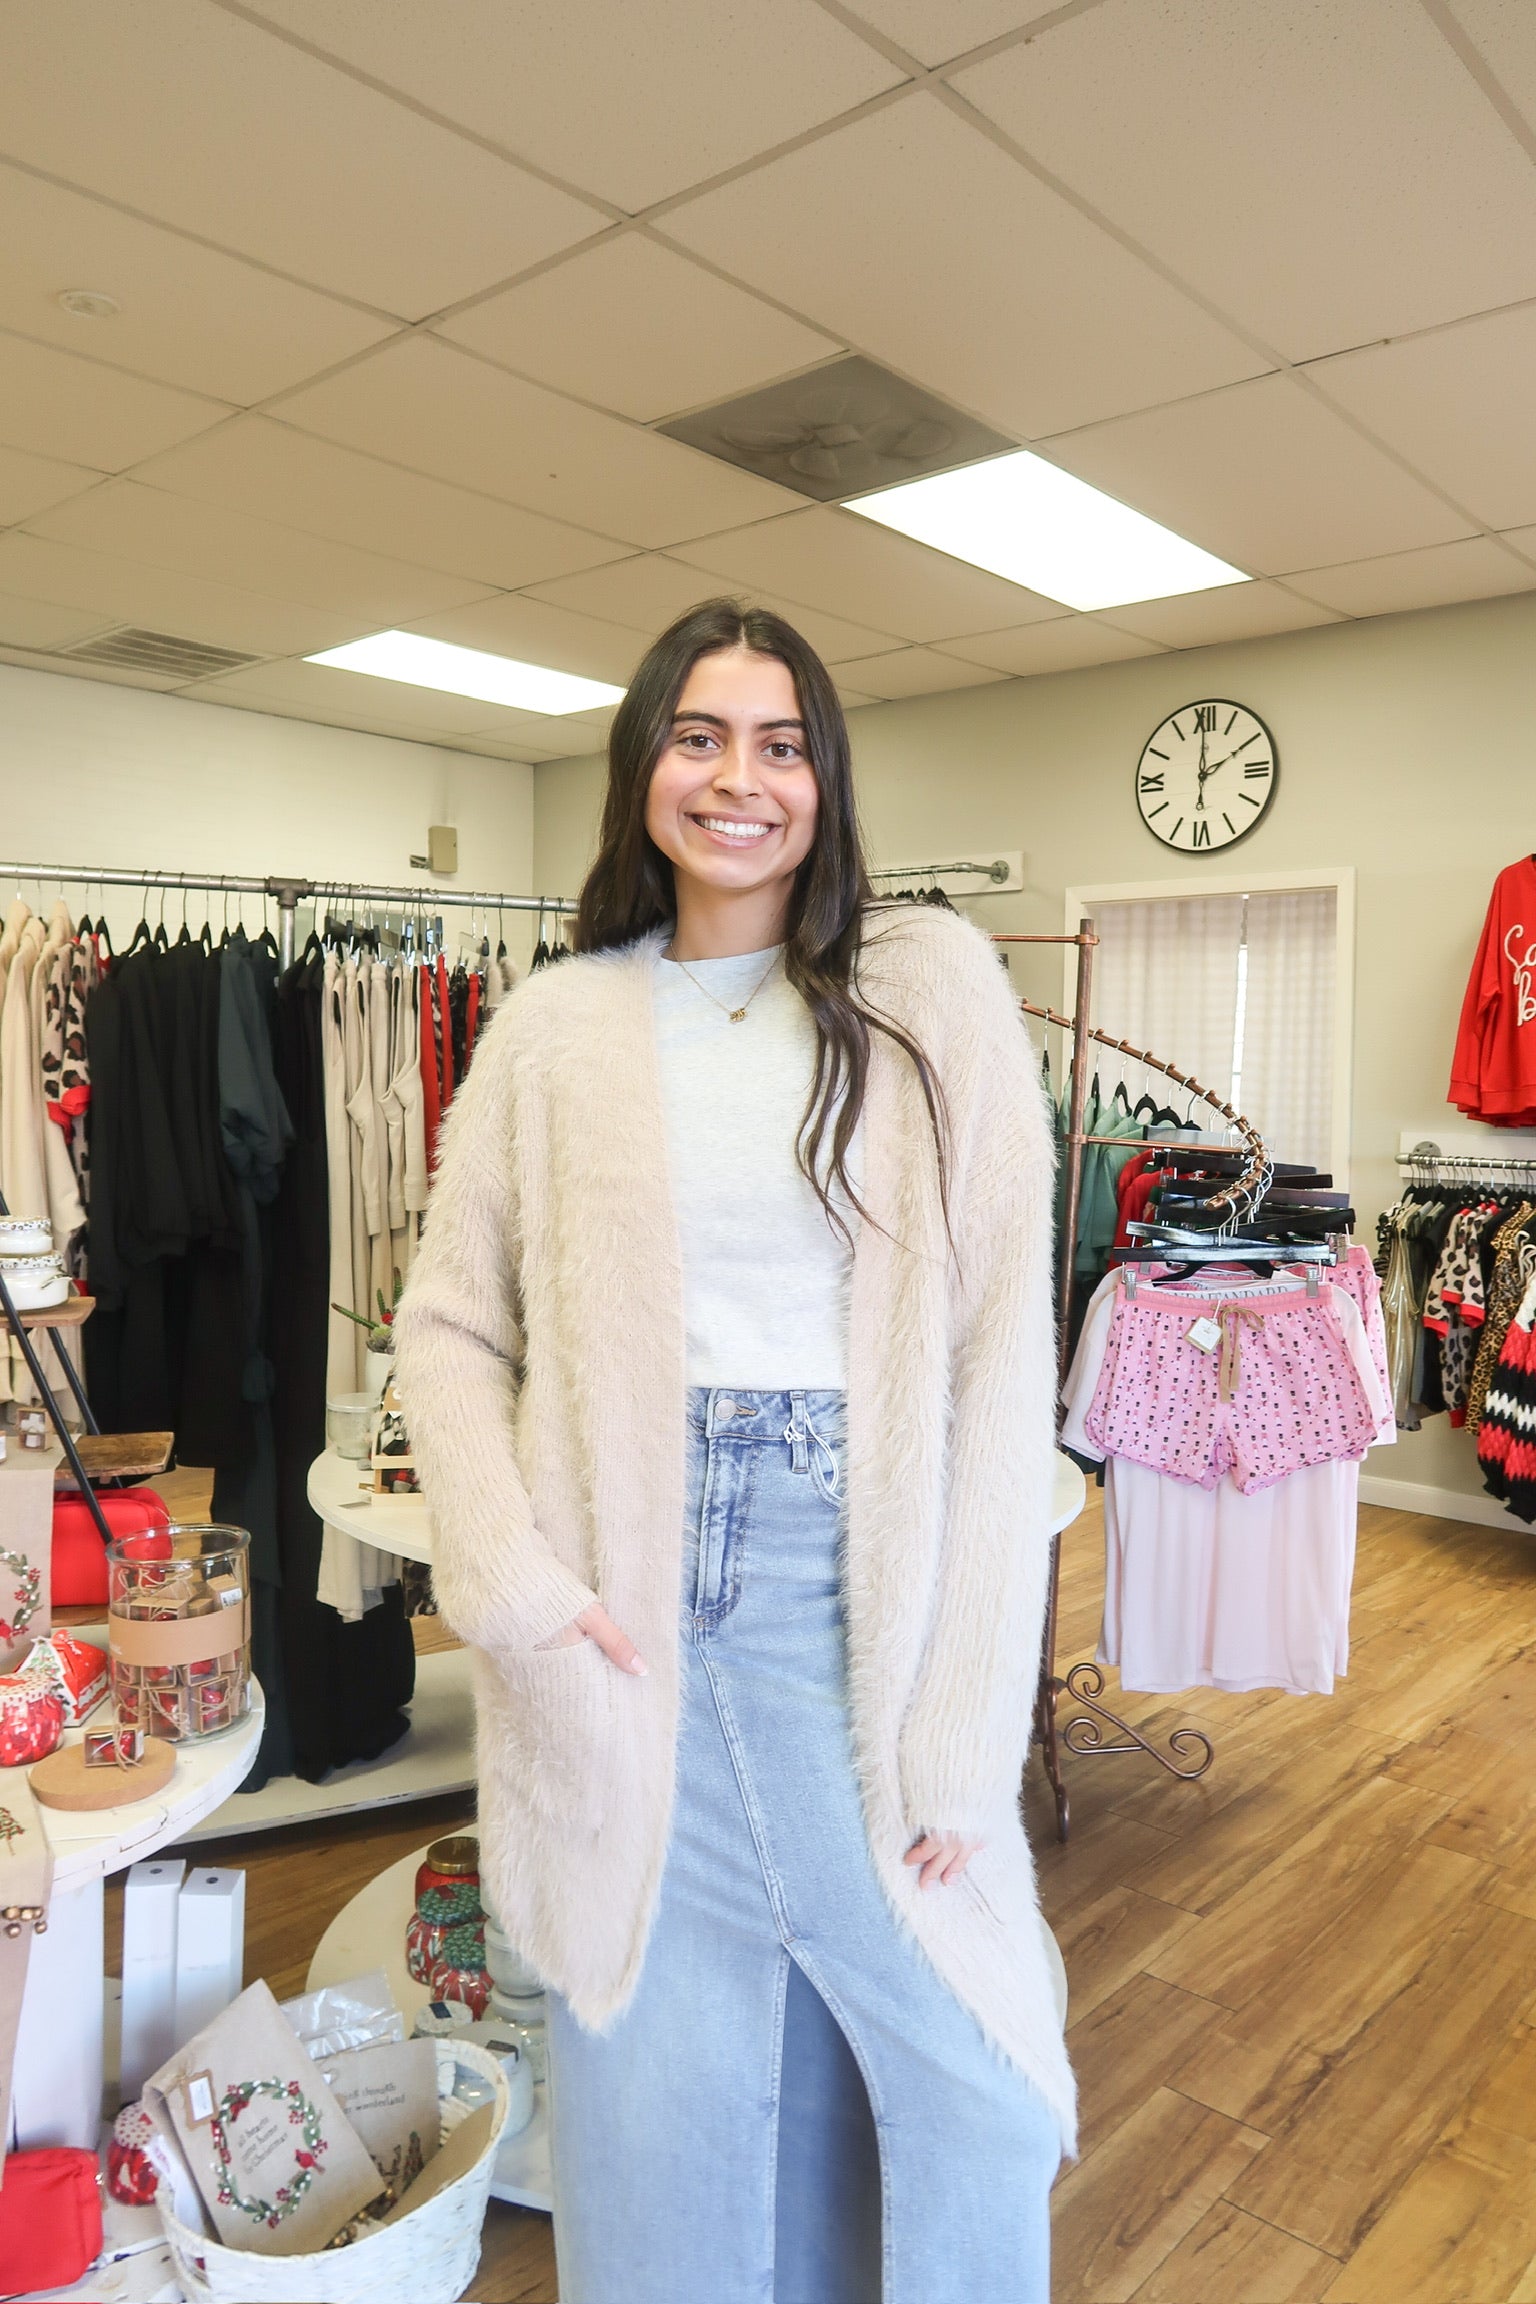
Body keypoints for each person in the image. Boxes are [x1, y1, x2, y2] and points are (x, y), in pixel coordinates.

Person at [394, 599, 1073, 2303]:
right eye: (699, 736)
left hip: (853, 1563)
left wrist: (969, 1712)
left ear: (825, 781)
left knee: (972, 2068)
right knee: (668, 2065)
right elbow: (449, 1327)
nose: (739, 779)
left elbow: (1004, 1354)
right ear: (644, 771)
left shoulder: (927, 993)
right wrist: (514, 1584)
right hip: (627, 1592)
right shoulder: (558, 1027)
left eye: (781, 745)